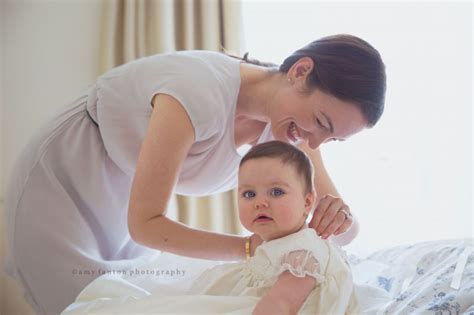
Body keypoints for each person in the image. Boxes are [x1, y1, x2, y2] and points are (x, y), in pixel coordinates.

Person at [4, 33, 386, 315]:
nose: (315, 141)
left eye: (331, 138)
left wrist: (340, 215)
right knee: (71, 302)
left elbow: (346, 232)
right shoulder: (196, 91)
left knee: (122, 297)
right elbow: (147, 224)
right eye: (321, 121)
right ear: (300, 72)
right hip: (68, 173)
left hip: (126, 189)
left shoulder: (290, 126)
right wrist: (252, 250)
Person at [62, 141, 359, 314]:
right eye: (249, 194)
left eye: (277, 192)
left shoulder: (304, 250)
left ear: (308, 203)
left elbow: (282, 303)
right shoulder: (273, 242)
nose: (260, 203)